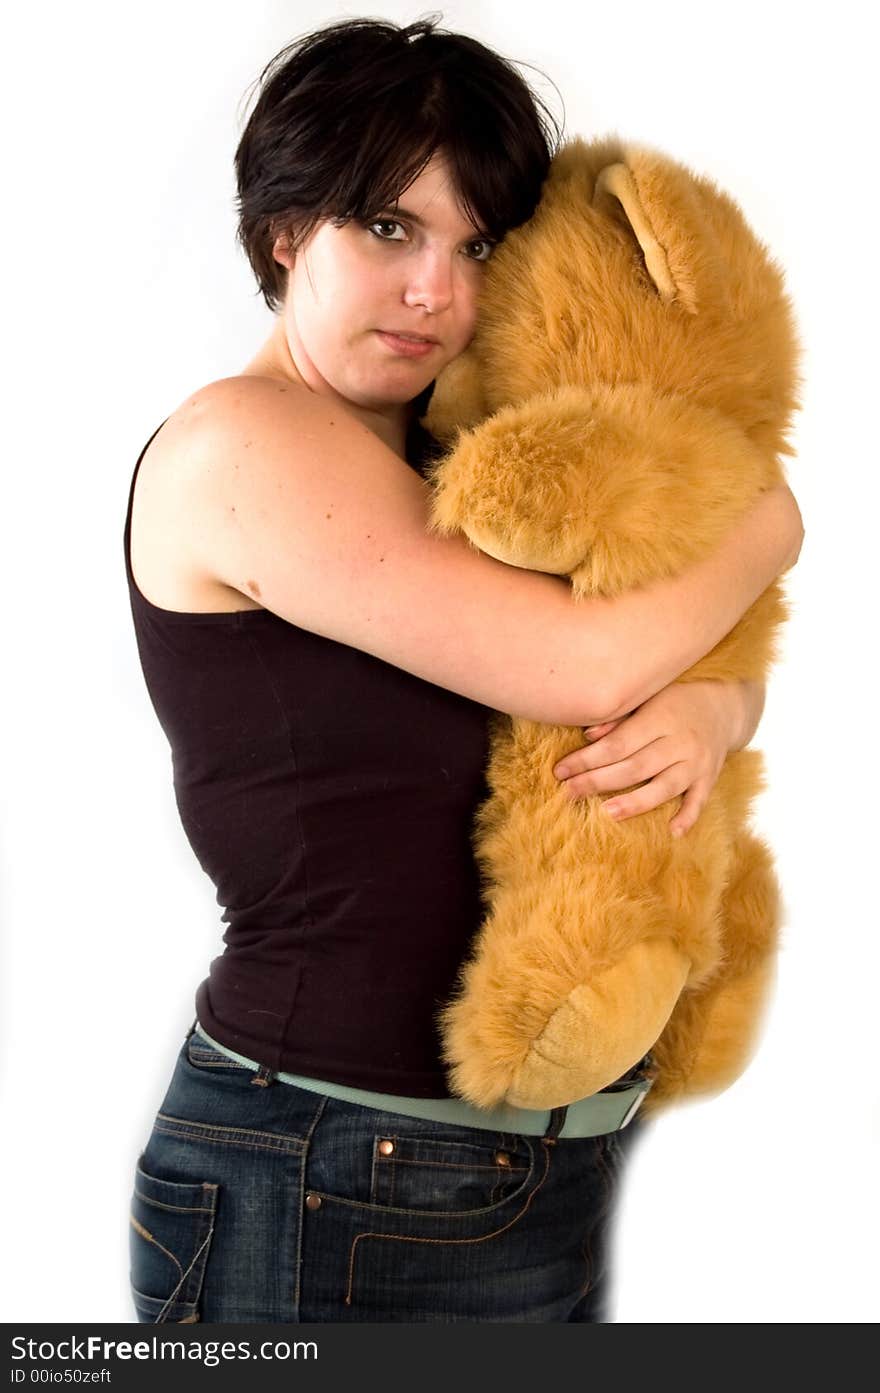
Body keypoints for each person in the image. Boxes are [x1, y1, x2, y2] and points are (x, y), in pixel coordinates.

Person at [125, 17, 803, 1325]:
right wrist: (775, 521)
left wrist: (719, 706)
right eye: (390, 227)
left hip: (521, 1167)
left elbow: (671, 655)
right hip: (327, 1166)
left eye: (477, 243)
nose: (438, 290)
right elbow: (583, 662)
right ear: (282, 232)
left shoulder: (468, 463)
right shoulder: (244, 446)